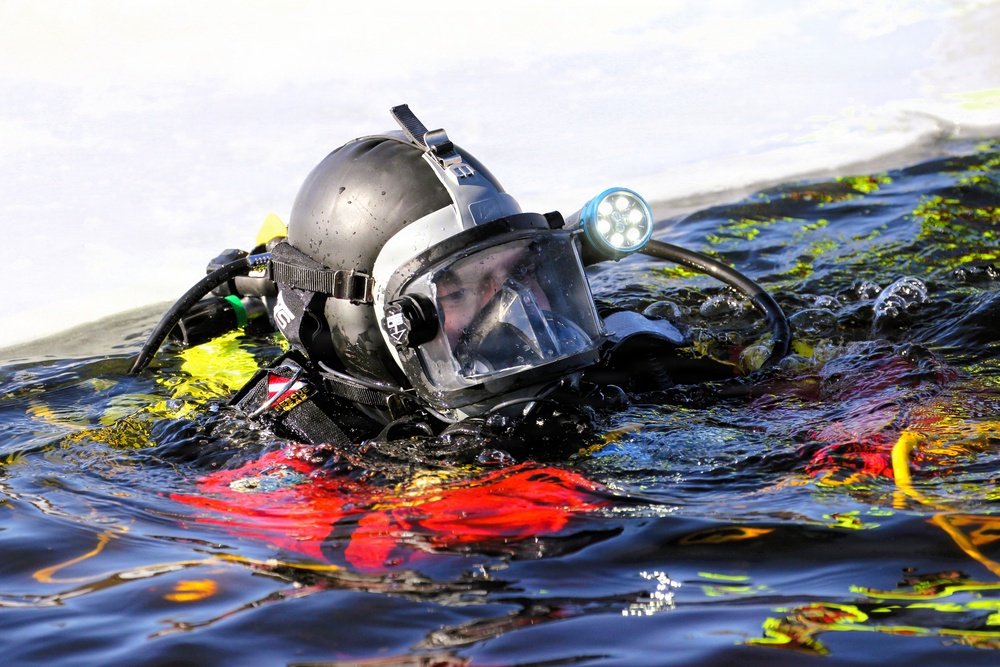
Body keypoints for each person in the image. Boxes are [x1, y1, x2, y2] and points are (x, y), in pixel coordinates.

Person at [132, 104, 789, 460]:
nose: (513, 315)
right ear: (372, 328)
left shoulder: (614, 352)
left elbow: (787, 409)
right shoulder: (294, 438)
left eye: (513, 274)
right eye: (458, 292)